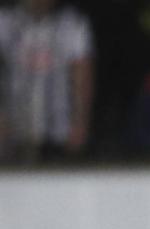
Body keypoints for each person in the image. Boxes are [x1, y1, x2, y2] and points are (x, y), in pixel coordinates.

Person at [0, 0, 93, 161]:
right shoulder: (6, 21)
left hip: (58, 131)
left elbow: (82, 76)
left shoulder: (72, 24)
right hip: (14, 129)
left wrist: (80, 122)